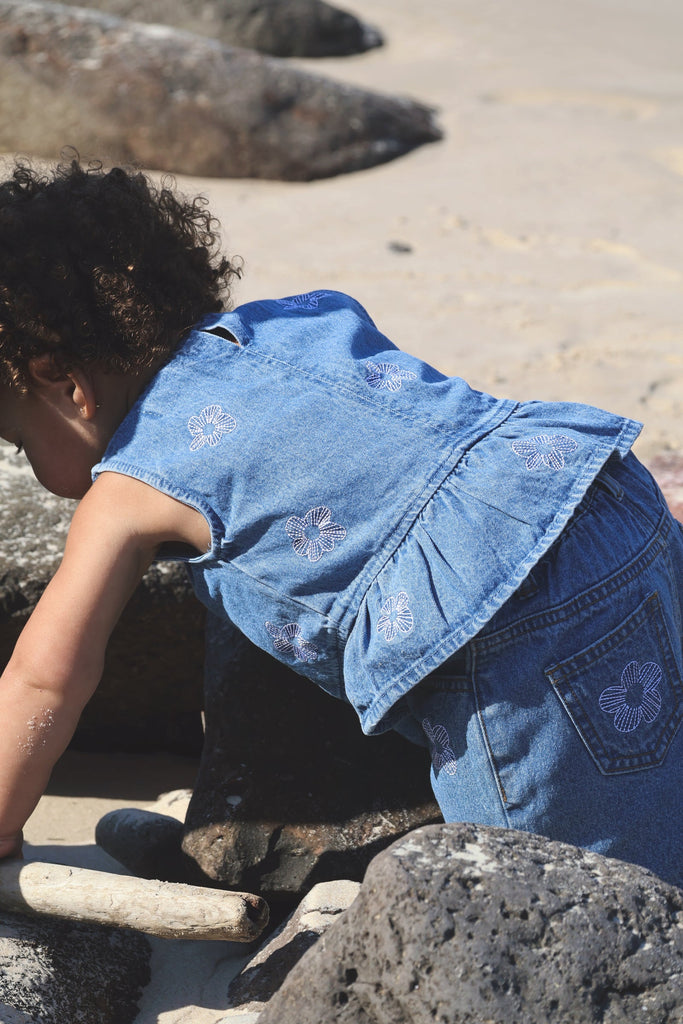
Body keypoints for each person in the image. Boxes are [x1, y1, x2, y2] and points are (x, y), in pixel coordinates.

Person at [0, 156, 680, 886]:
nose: (27, 464)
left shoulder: (128, 490)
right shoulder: (300, 317)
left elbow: (44, 683)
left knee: (562, 892)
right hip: (601, 494)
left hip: (507, 621)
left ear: (63, 382)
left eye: (18, 440)